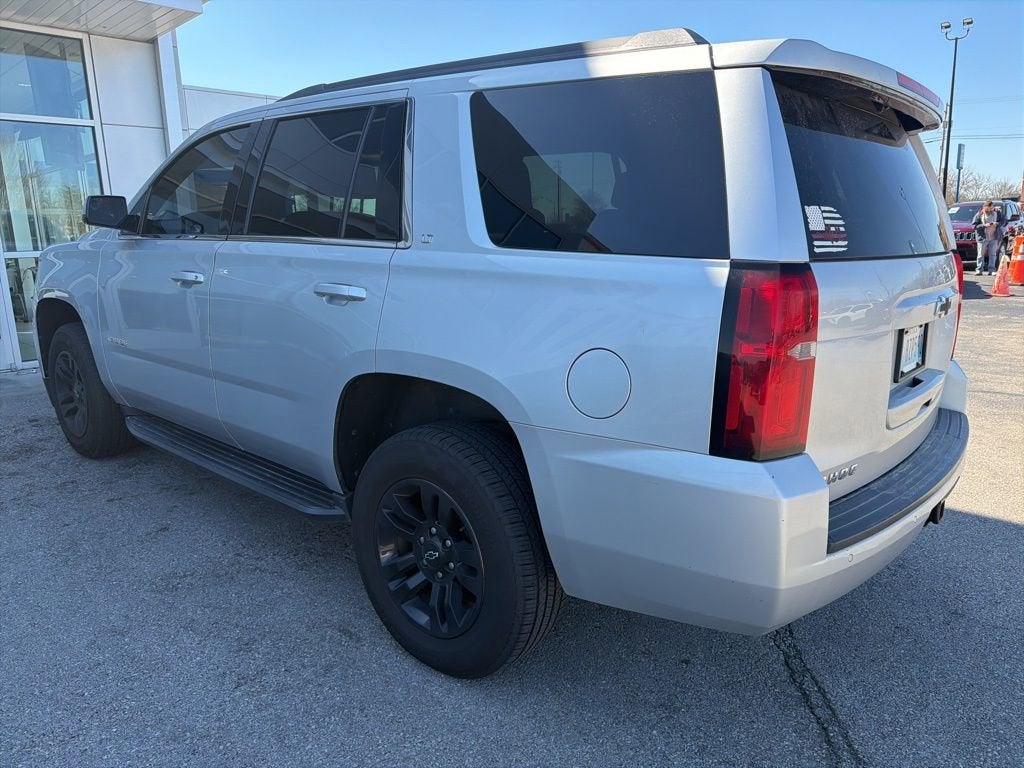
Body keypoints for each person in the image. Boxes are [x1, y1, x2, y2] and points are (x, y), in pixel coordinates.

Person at [972, 201, 1006, 275]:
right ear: (985, 207)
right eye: (989, 208)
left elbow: (1004, 221)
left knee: (993, 254)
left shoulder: (998, 213)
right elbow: (974, 226)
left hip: (994, 237)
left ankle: (992, 270)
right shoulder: (979, 214)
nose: (991, 210)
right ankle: (979, 270)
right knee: (980, 254)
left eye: (992, 208)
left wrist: (997, 224)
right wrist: (984, 225)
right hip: (982, 238)